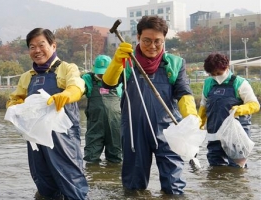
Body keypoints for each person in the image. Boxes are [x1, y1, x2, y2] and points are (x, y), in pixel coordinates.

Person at [102, 15, 200, 195]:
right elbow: (108, 84)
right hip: (134, 130)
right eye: (147, 40)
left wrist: (191, 117)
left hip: (169, 130)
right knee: (134, 185)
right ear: (138, 37)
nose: (152, 46)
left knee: (173, 185)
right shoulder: (127, 60)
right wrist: (117, 61)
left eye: (158, 41)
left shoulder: (175, 63)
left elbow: (184, 93)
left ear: (164, 40)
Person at [6, 28, 88, 200]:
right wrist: (13, 106)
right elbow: (17, 97)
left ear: (53, 45)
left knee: (71, 182)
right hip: (36, 140)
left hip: (63, 139)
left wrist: (67, 94)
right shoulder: (27, 77)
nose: (37, 50)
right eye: (32, 47)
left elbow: (77, 86)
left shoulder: (66, 68)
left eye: (41, 45)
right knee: (44, 183)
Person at [198, 53, 260, 167]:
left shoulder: (240, 83)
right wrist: (199, 122)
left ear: (226, 67)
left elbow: (255, 105)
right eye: (212, 74)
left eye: (218, 73)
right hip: (214, 133)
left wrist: (240, 109)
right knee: (215, 166)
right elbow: (203, 105)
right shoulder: (208, 83)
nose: (216, 76)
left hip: (236, 134)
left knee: (237, 167)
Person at [82, 55, 122, 163]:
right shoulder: (88, 79)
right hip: (95, 126)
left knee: (116, 159)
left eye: (105, 72)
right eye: (100, 72)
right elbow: (77, 88)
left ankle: (113, 179)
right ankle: (93, 179)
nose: (102, 74)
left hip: (115, 127)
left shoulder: (119, 80)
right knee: (91, 158)